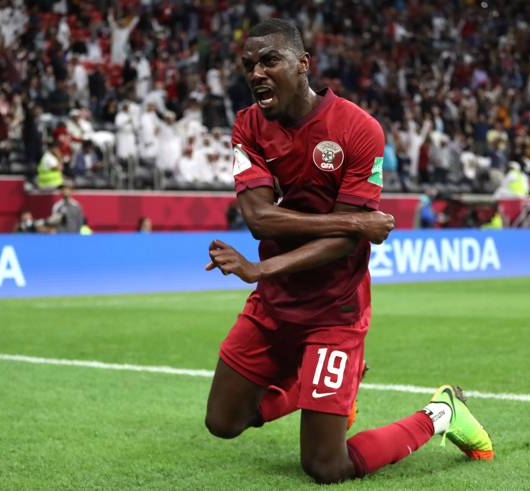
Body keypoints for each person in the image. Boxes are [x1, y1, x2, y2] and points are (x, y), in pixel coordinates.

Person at [204, 19, 493, 485]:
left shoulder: (359, 129)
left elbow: (343, 245)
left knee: (325, 467)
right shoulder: (248, 125)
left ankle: (441, 412)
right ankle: (324, 389)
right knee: (223, 422)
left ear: (303, 66)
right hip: (273, 304)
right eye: (249, 64)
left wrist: (265, 267)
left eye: (269, 61)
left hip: (334, 312)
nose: (256, 72)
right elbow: (260, 217)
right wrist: (357, 221)